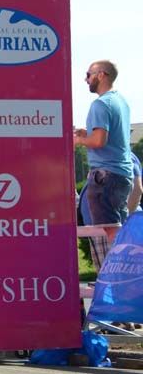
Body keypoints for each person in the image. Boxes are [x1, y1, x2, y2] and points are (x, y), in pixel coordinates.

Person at [75, 60, 133, 245]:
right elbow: (108, 137)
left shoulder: (100, 104)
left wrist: (78, 140)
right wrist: (88, 134)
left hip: (105, 177)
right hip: (122, 175)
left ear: (101, 75)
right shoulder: (120, 102)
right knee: (120, 228)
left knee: (111, 232)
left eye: (88, 74)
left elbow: (99, 141)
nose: (86, 79)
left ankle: (118, 270)